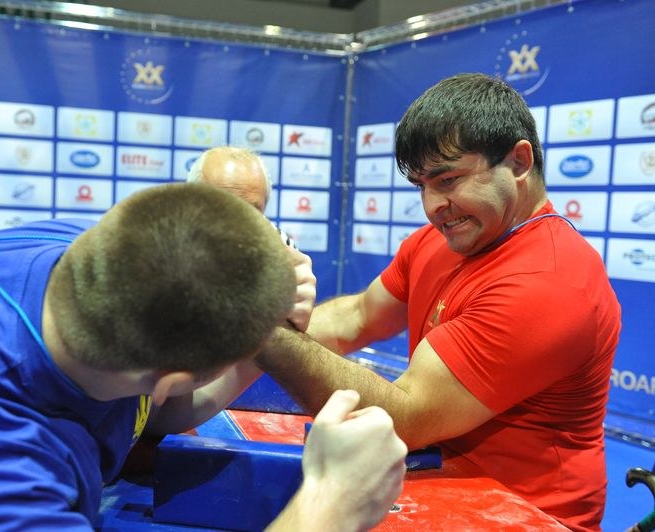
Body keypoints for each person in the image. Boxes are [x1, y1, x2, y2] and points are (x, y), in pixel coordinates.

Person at [0, 183, 406, 530]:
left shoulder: (85, 253)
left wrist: (258, 324)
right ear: (171, 376)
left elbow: (167, 408)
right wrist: (330, 505)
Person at [254, 73, 621, 531]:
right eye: (421, 185)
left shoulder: (549, 282)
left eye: (448, 180)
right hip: (443, 482)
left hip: (526, 515)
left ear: (519, 162)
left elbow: (406, 416)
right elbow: (357, 317)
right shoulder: (441, 238)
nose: (432, 205)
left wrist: (255, 327)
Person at [188, 145, 315, 331]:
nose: (233, 226)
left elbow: (285, 340)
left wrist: (293, 322)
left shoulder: (280, 246)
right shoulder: (155, 242)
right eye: (220, 208)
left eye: (249, 213)